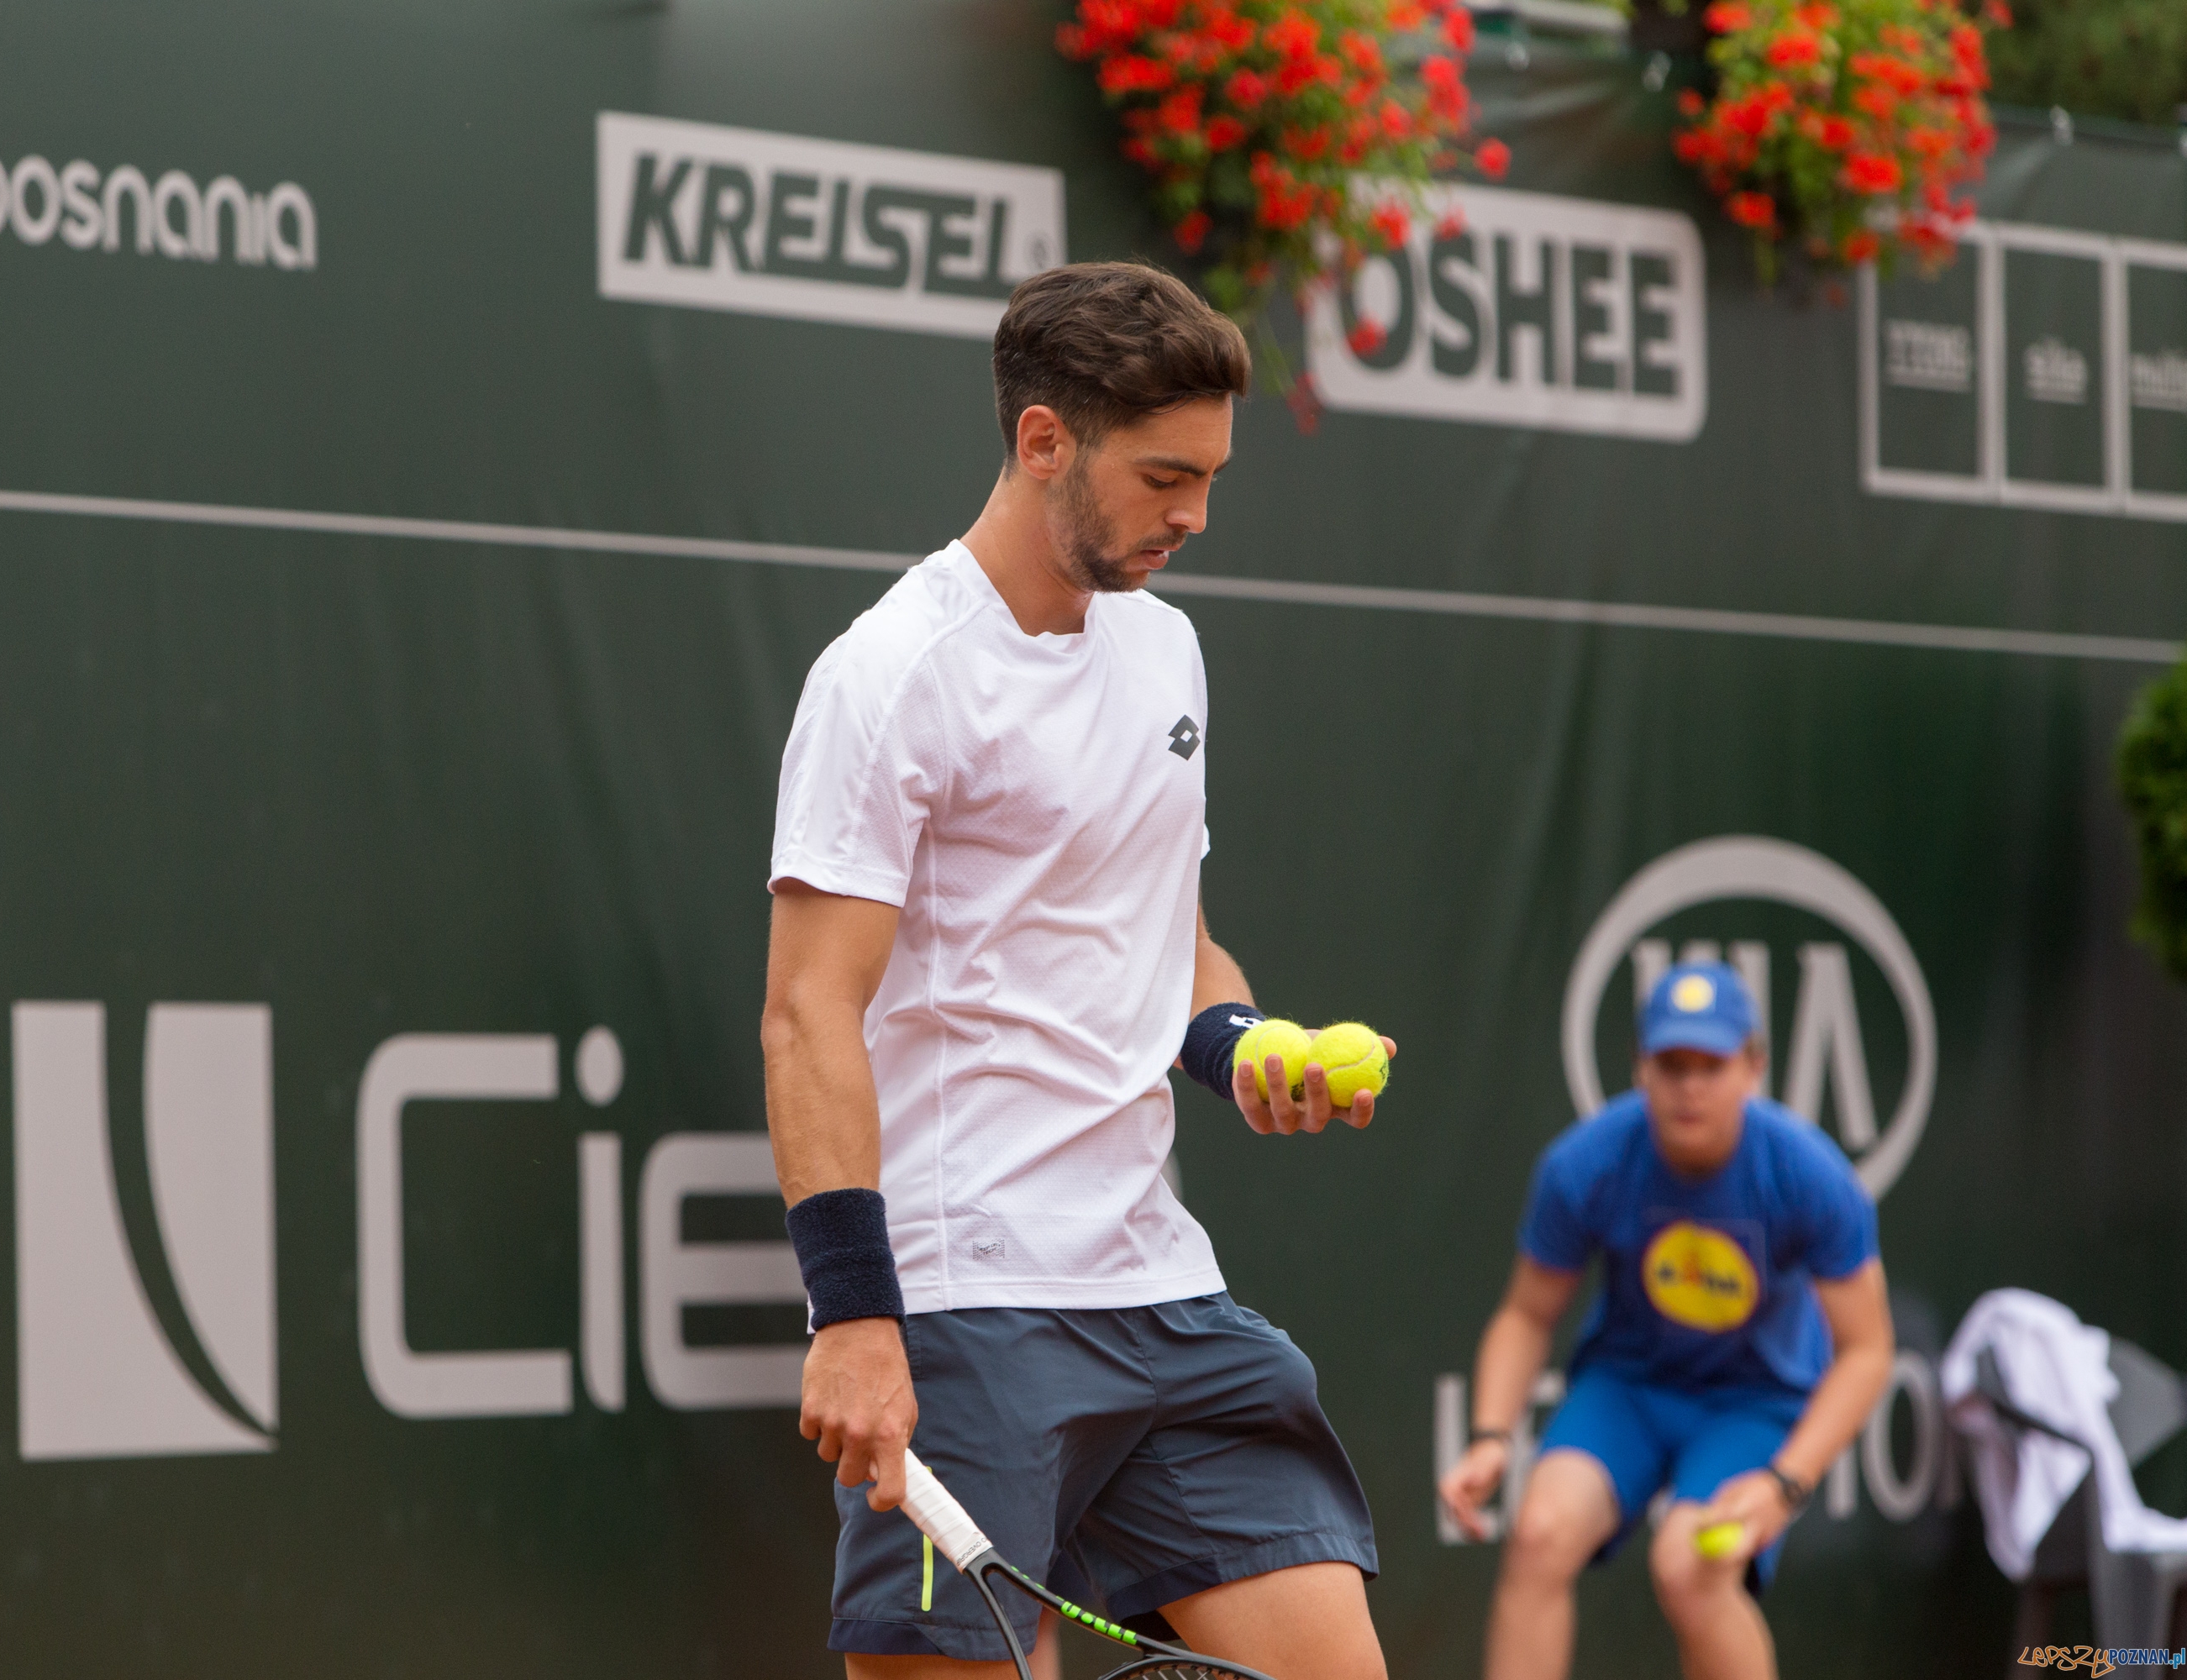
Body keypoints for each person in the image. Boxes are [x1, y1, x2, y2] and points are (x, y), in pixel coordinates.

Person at [761, 261, 1395, 1680]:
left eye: (1211, 478)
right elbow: (807, 1015)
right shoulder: (894, 674)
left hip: (1161, 1287)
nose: (1196, 515)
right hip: (969, 1299)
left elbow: (1169, 938)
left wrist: (1242, 1044)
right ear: (1045, 440)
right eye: (1165, 476)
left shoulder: (1167, 652)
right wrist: (856, 1317)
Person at [1437, 961, 1894, 1680]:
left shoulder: (1811, 1175)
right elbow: (1526, 1315)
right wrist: (1493, 1435)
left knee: (1689, 1567)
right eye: (1672, 1064)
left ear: (1754, 1067)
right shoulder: (1584, 1164)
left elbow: (1867, 1350)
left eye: (1711, 1065)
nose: (1690, 1086)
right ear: (1640, 1067)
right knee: (1539, 1533)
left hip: (1753, 1402)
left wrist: (1785, 1483)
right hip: (1629, 1387)